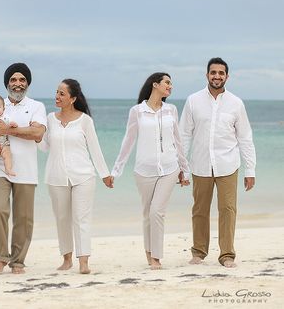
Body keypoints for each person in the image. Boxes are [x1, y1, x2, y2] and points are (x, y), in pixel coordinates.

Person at [0, 62, 47, 274]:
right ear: (7, 84)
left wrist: (8, 131)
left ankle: (18, 261)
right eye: (13, 79)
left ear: (28, 83)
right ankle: (1, 257)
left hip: (27, 169)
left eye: (22, 79)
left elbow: (38, 134)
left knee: (23, 218)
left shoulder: (36, 106)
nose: (18, 83)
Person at [179, 57, 256, 268]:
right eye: (213, 72)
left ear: (227, 77)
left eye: (221, 73)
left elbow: (245, 138)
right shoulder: (193, 100)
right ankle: (199, 252)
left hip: (228, 164)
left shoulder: (236, 103)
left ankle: (227, 254)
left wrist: (251, 169)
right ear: (207, 75)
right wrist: (182, 168)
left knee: (228, 210)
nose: (217, 76)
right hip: (200, 165)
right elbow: (184, 135)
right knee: (199, 210)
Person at [110, 72, 190, 270]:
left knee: (157, 212)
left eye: (171, 83)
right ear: (155, 85)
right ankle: (149, 253)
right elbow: (127, 143)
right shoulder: (137, 111)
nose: (170, 87)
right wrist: (116, 171)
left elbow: (178, 142)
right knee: (147, 214)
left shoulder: (171, 110)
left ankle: (156, 257)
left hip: (170, 169)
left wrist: (184, 170)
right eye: (167, 83)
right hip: (144, 171)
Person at [38, 79, 113, 274]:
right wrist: (34, 134)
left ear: (72, 98)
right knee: (62, 218)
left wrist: (105, 174)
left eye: (62, 93)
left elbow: (95, 149)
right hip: (55, 177)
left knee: (82, 218)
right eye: (56, 92)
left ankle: (84, 261)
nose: (57, 96)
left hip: (83, 176)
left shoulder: (85, 120)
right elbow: (45, 147)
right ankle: (67, 258)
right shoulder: (50, 119)